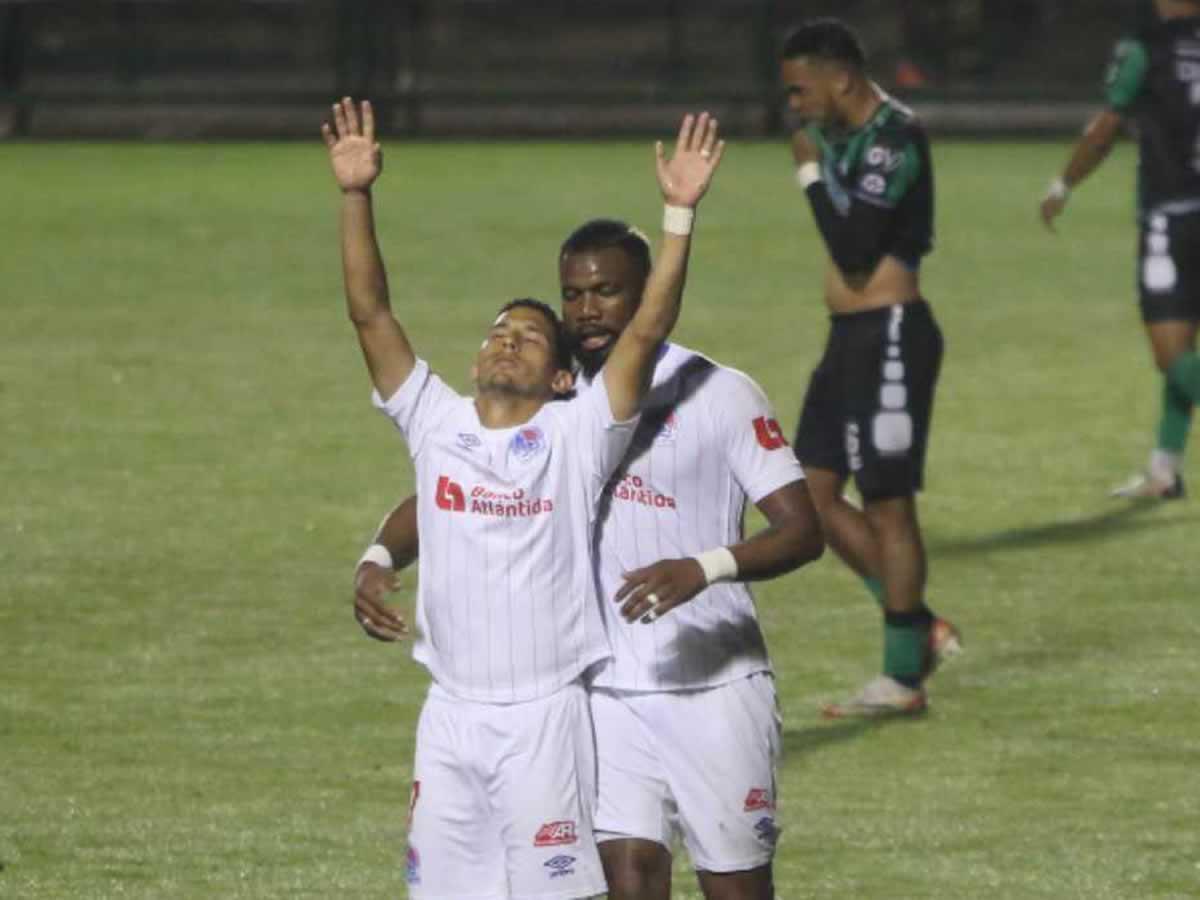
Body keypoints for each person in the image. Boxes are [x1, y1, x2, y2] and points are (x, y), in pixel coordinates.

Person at [322, 96, 725, 899]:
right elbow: (369, 311)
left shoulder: (580, 438)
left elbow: (645, 332)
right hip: (449, 718)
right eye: (497, 331)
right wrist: (356, 194)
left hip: (544, 720)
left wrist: (678, 216)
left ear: (561, 376)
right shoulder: (434, 421)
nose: (505, 340)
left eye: (529, 336)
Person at [355, 217, 825, 899]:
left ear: (647, 291)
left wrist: (704, 567)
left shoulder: (720, 393)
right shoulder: (561, 400)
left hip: (713, 686)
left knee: (735, 887)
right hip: (603, 690)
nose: (587, 310)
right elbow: (449, 485)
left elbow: (803, 531)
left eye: (607, 292)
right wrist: (380, 553)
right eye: (573, 296)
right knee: (627, 882)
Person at [780, 18, 961, 718]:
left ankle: (901, 678)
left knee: (888, 503)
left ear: (841, 78)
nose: (793, 104)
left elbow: (855, 245)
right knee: (809, 496)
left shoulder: (894, 137)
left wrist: (805, 169)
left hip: (890, 333)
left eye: (800, 89)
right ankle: (917, 625)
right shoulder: (844, 136)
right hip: (848, 336)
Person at [1040, 0, 1200, 499]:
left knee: (1172, 356)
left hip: (1172, 217)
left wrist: (1063, 184)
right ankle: (1163, 470)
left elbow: (1106, 128)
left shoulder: (1145, 48)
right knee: (1184, 352)